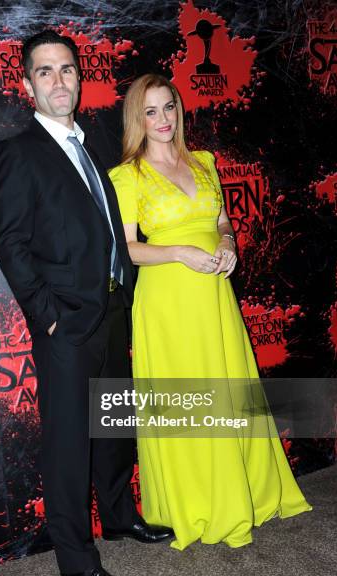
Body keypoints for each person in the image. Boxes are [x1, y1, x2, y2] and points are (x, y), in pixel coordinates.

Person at [0, 35, 172, 576]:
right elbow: (11, 246)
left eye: (67, 70)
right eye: (45, 73)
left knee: (113, 429)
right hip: (66, 323)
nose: (59, 81)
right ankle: (76, 562)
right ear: (27, 85)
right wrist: (47, 318)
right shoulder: (18, 153)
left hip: (113, 309)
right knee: (70, 444)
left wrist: (122, 294)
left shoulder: (88, 146)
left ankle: (119, 516)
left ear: (78, 78)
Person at [109, 74, 312, 551]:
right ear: (137, 119)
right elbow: (128, 250)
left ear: (179, 111)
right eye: (151, 111)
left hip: (215, 298)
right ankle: (201, 500)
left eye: (169, 108)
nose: (162, 120)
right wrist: (179, 252)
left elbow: (221, 221)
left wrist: (227, 244)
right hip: (168, 304)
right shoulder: (127, 176)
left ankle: (248, 492)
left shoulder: (203, 162)